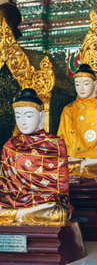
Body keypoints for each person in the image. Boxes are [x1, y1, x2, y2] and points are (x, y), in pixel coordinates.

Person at [0, 88, 71, 225]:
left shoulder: (55, 144)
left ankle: (16, 215)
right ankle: (22, 214)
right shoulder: (10, 145)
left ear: (42, 116)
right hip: (13, 201)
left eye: (28, 115)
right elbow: (4, 186)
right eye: (18, 116)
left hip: (44, 203)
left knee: (58, 213)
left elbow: (59, 191)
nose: (23, 121)